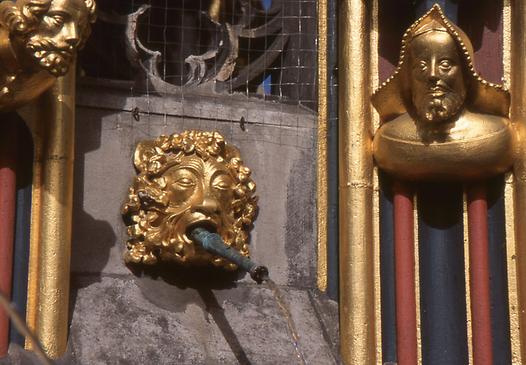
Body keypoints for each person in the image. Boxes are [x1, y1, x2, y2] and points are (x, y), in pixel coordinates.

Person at [372, 5, 514, 181]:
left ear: (466, 74)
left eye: (445, 64)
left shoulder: (495, 136)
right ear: (408, 77)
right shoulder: (389, 139)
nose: (432, 74)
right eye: (421, 66)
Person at [0, 0, 96, 110]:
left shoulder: (43, 80)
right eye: (58, 20)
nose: (74, 36)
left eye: (79, 27)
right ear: (24, 14)